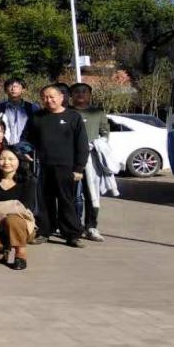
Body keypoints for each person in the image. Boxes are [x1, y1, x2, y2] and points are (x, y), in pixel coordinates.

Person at [24, 85, 89, 247]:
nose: (48, 100)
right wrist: (25, 151)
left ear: (61, 97)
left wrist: (79, 168)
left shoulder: (73, 116)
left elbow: (82, 144)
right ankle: (45, 231)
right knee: (44, 201)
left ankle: (72, 234)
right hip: (43, 166)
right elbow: (26, 138)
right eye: (45, 97)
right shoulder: (37, 117)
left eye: (52, 96)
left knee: (67, 201)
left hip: (66, 167)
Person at [70, 83, 110, 243]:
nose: (80, 94)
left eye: (84, 91)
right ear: (71, 95)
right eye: (76, 92)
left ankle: (91, 226)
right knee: (71, 194)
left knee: (92, 194)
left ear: (90, 94)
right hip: (71, 159)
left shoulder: (98, 112)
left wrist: (98, 143)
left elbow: (105, 133)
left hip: (91, 160)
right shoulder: (67, 112)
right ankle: (72, 226)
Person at [0, 77, 37, 145]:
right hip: (5, 146)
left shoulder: (32, 108)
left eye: (16, 86)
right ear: (5, 90)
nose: (13, 89)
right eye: (10, 86)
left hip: (26, 146)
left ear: (23, 90)